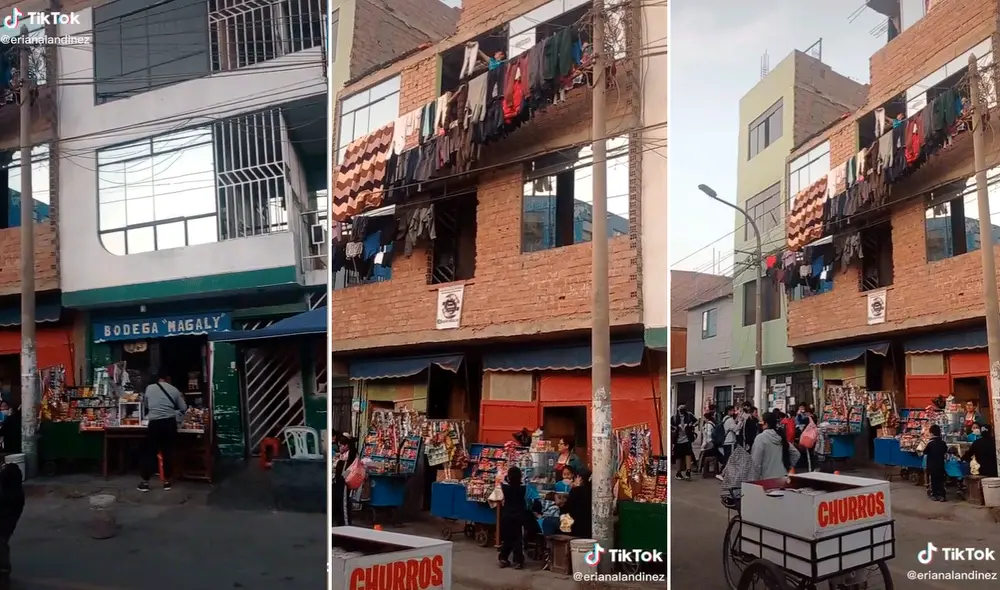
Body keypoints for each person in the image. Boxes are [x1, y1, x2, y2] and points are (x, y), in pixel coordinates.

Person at [137, 372, 186, 493]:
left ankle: (145, 483)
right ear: (167, 379)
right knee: (167, 452)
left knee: (150, 452)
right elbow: (183, 408)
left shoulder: (149, 388)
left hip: (155, 424)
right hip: (169, 423)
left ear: (159, 379)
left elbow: (146, 405)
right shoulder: (174, 390)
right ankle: (167, 481)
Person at [751, 412, 800, 481]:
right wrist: (788, 466)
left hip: (767, 479)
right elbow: (796, 454)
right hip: (783, 477)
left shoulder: (760, 438)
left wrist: (754, 480)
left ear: (766, 424)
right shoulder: (781, 436)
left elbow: (755, 463)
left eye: (761, 422)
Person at [497, 466, 529, 569]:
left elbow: (503, 481)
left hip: (507, 515)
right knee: (517, 539)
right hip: (519, 516)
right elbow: (524, 483)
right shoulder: (522, 489)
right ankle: (518, 560)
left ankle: (503, 558)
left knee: (507, 538)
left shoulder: (505, 488)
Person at [0, 460, 23, 586]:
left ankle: (4, 571)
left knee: (2, 542)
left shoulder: (9, 493)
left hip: (5, 521)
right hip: (9, 521)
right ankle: (4, 571)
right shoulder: (17, 492)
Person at [332, 434, 358, 527]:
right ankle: (341, 522)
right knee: (338, 501)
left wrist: (344, 477)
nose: (340, 447)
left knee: (344, 503)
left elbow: (350, 469)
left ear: (346, 445)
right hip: (339, 481)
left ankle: (346, 524)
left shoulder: (350, 455)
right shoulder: (343, 455)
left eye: (341, 446)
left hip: (344, 483)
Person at [559, 466, 592, 538]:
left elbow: (566, 509)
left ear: (579, 478)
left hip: (575, 528)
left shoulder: (576, 491)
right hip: (589, 528)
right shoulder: (592, 490)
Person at [671, 404, 697, 480]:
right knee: (678, 457)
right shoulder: (674, 417)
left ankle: (688, 471)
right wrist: (675, 428)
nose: (682, 411)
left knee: (688, 454)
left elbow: (696, 422)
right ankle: (678, 472)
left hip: (687, 438)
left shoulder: (689, 415)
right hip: (678, 440)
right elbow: (671, 426)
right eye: (681, 409)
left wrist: (691, 425)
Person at [925, 424, 948, 502]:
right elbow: (945, 450)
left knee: (934, 480)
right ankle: (942, 495)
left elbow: (925, 451)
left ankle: (935, 495)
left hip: (932, 465)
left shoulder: (930, 443)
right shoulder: (943, 443)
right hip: (941, 465)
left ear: (931, 433)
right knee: (941, 480)